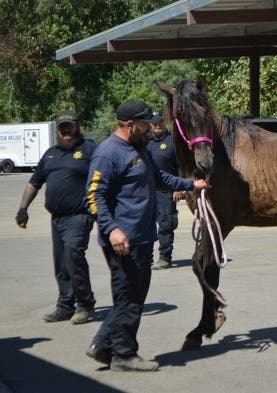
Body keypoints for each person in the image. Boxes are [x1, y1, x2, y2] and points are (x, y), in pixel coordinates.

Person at [84, 99, 209, 372]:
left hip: (141, 238)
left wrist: (191, 184)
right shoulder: (108, 153)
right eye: (144, 123)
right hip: (123, 241)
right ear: (130, 125)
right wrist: (112, 229)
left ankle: (104, 345)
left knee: (132, 296)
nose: (151, 127)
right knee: (129, 298)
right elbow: (94, 196)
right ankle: (124, 356)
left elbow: (160, 178)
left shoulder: (138, 149)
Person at [15, 110, 96, 325]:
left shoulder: (89, 149)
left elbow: (104, 177)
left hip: (80, 215)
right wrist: (23, 208)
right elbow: (34, 182)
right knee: (61, 264)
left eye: (70, 126)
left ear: (78, 127)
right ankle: (65, 305)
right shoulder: (50, 154)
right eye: (63, 127)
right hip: (57, 218)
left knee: (73, 254)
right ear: (58, 131)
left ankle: (85, 305)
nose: (66, 130)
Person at [147, 111, 180, 270]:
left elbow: (182, 165)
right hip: (145, 192)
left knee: (166, 225)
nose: (157, 124)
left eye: (160, 121)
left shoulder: (173, 140)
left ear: (165, 122)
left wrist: (179, 187)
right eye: (154, 122)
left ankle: (165, 258)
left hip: (166, 191)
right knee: (145, 225)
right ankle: (146, 258)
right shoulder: (144, 141)